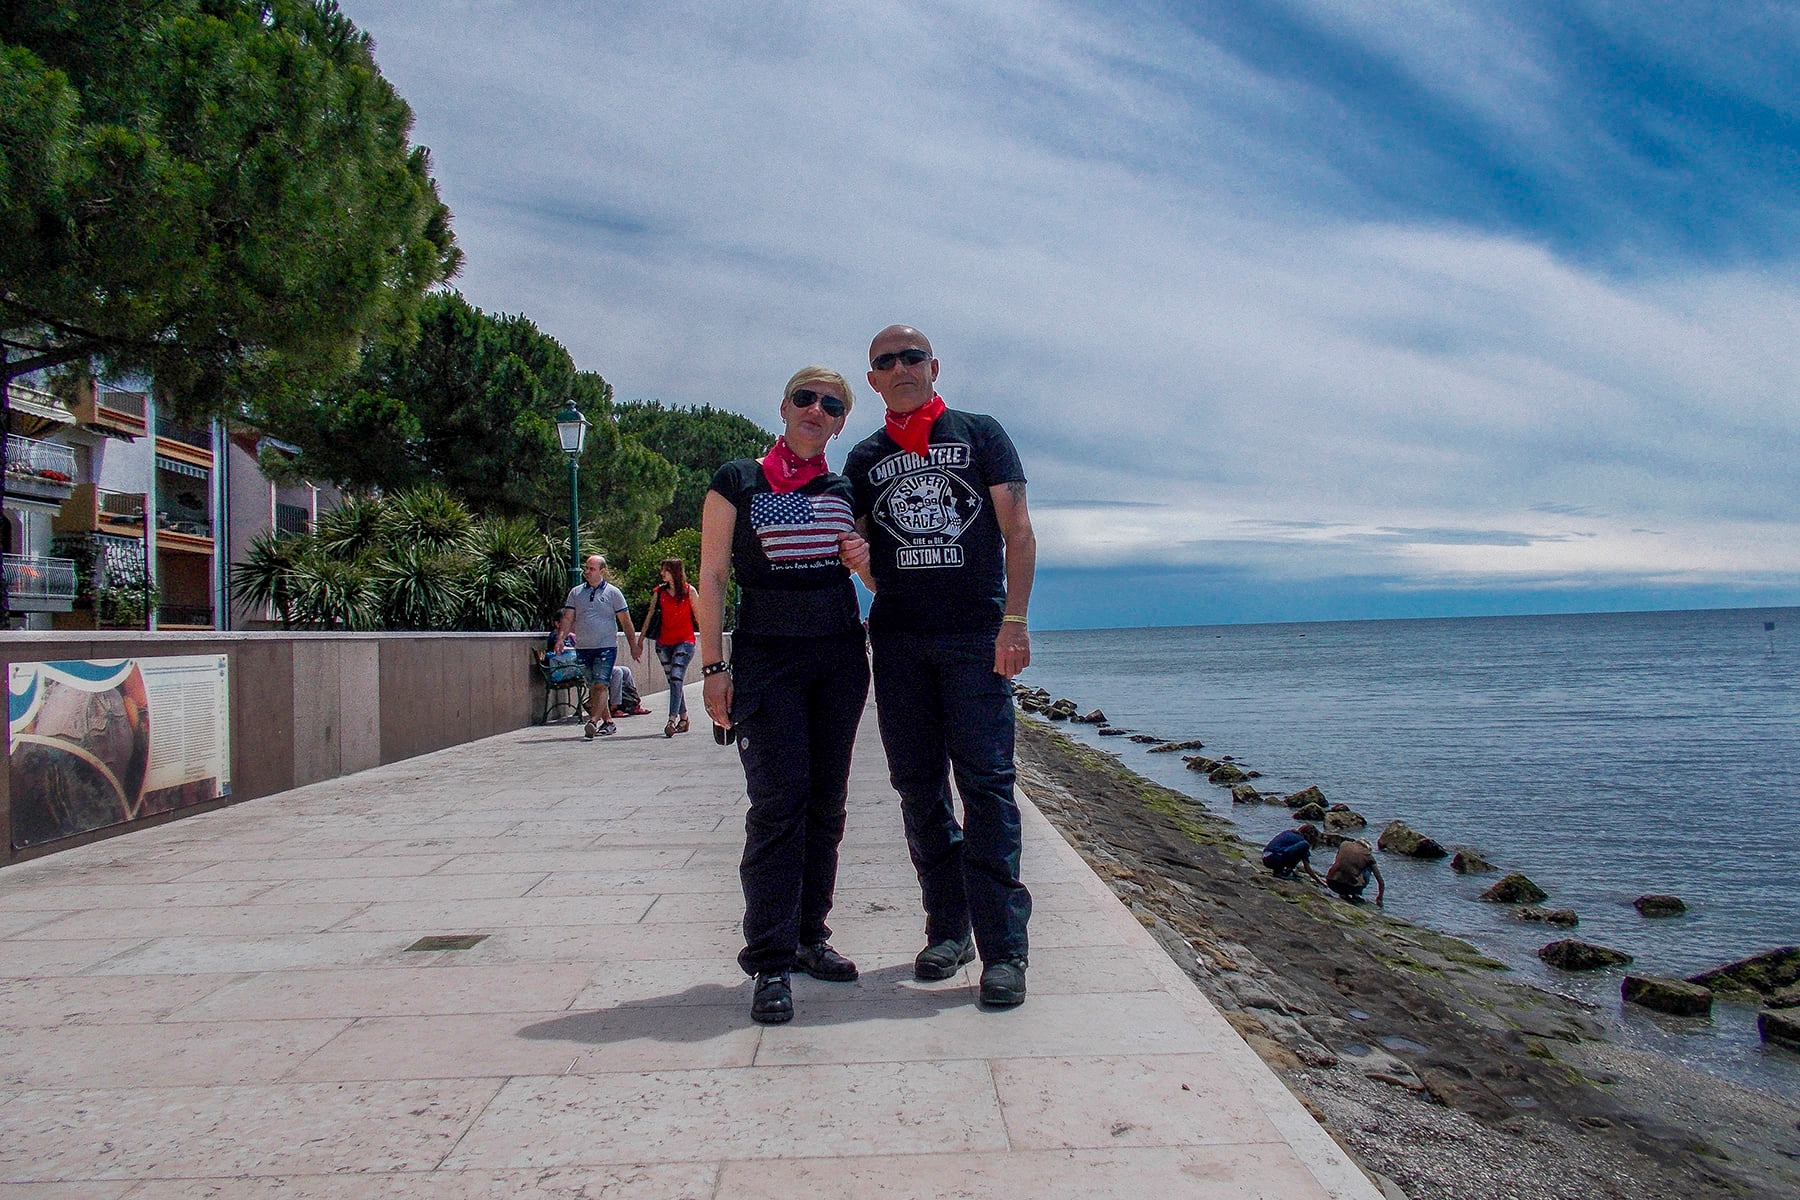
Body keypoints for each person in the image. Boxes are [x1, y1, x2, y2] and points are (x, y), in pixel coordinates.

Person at [844, 325, 1037, 1008]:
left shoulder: (980, 434)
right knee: (919, 790)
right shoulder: (866, 457)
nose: (900, 367)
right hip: (899, 643)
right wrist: (864, 570)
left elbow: (1017, 531)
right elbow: (862, 553)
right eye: (885, 361)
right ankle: (949, 930)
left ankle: (1005, 950)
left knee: (987, 787)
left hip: (975, 638)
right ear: (873, 379)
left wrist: (1014, 622)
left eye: (912, 357)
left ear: (934, 365)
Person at [698, 366, 873, 1026]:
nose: (816, 410)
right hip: (768, 658)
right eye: (806, 398)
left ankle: (808, 937)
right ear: (783, 406)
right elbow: (713, 576)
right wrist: (714, 667)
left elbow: (874, 579)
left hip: (839, 657)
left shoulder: (844, 488)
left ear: (840, 423)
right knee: (778, 803)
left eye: (831, 405)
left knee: (827, 802)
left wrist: (865, 565)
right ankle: (770, 960)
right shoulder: (738, 479)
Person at [553, 554, 643, 740]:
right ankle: (608, 722)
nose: (586, 572)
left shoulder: (613, 593)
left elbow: (625, 621)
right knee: (593, 687)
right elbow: (568, 618)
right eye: (586, 568)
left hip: (606, 647)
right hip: (583, 647)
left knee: (601, 684)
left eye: (591, 569)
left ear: (602, 571)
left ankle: (593, 722)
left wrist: (633, 645)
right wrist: (560, 639)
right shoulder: (576, 593)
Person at [644, 557, 699, 737]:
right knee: (674, 681)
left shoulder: (689, 591)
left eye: (665, 570)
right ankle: (684, 718)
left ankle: (671, 720)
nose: (662, 573)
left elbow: (698, 616)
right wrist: (639, 640)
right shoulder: (659, 592)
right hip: (663, 643)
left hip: (685, 641)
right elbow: (650, 615)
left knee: (676, 678)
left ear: (674, 572)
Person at [1326, 837, 1385, 904]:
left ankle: (1343, 894)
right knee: (1368, 868)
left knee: (1342, 863)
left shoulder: (1344, 844)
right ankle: (1355, 894)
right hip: (1352, 888)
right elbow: (1380, 880)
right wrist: (1380, 898)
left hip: (1332, 883)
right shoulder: (1368, 855)